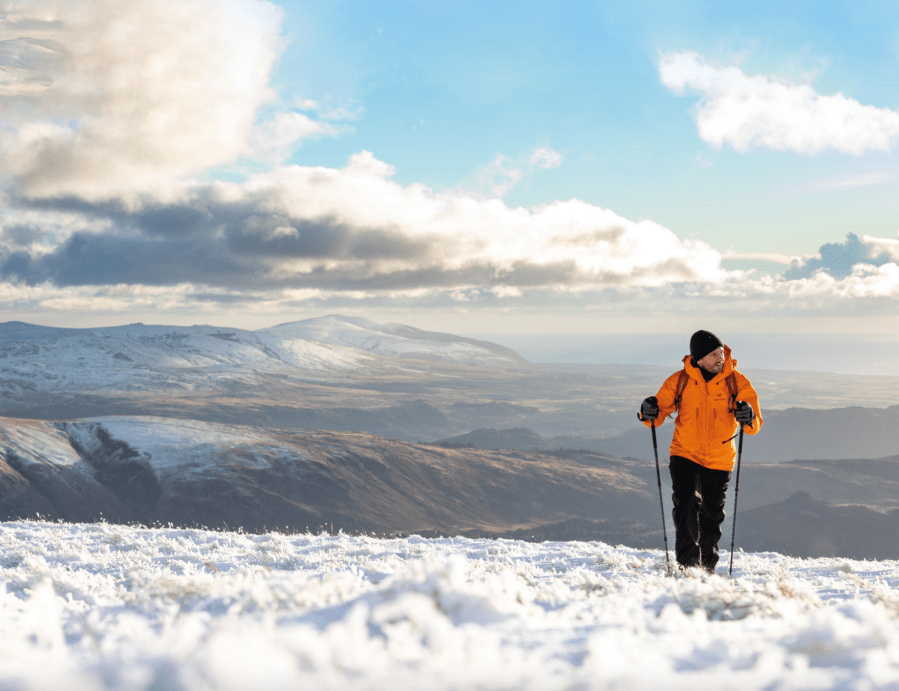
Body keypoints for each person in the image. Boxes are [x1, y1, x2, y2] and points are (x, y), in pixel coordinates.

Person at [638, 330, 762, 574]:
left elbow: (754, 424)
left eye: (720, 353)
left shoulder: (736, 381)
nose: (720, 358)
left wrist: (748, 416)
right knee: (685, 507)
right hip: (684, 453)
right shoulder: (680, 380)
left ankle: (707, 569)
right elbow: (657, 414)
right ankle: (688, 568)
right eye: (714, 354)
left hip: (719, 459)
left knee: (711, 517)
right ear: (699, 358)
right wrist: (648, 411)